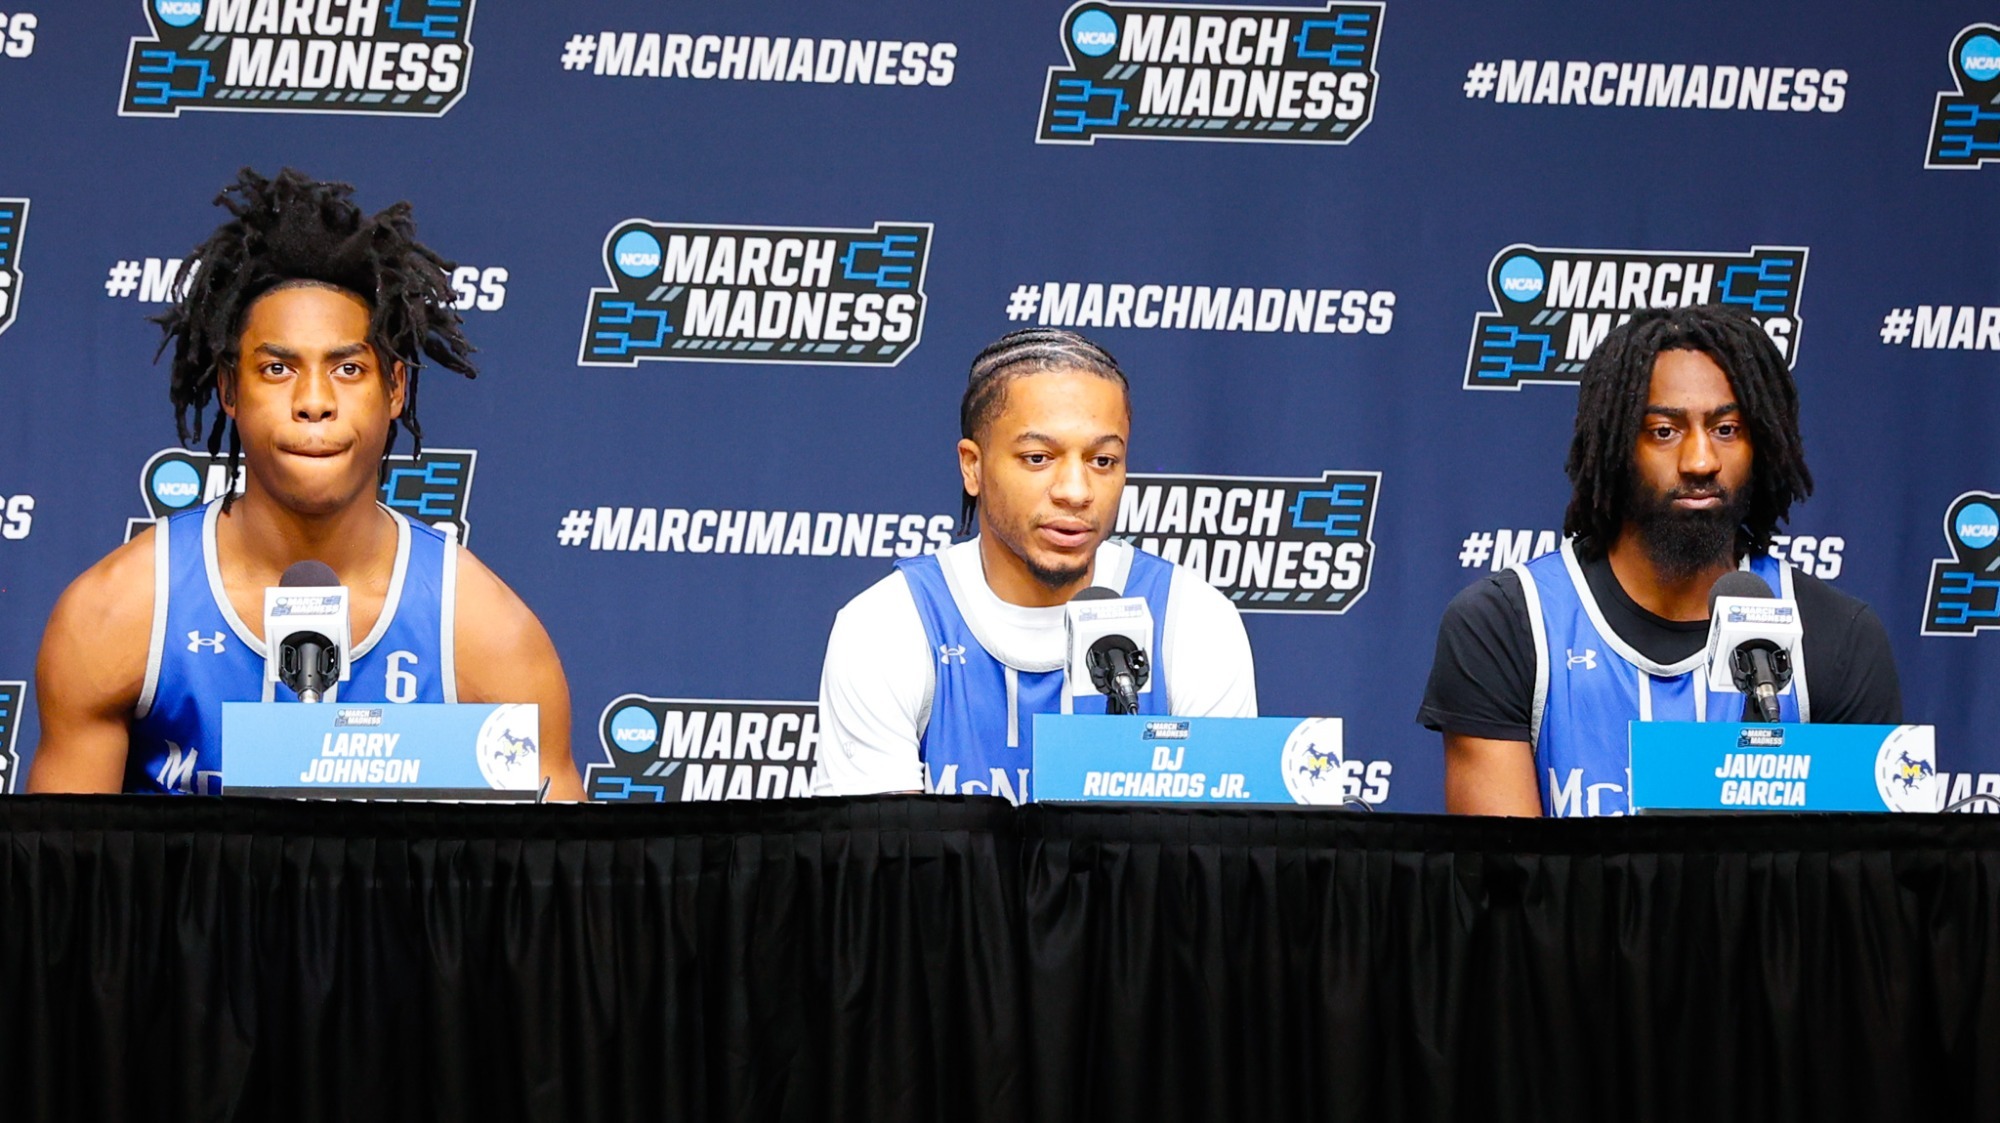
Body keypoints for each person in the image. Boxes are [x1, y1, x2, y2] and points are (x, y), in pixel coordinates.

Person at [30, 168, 585, 799]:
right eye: (277, 369)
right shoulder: (118, 615)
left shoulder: (488, 636)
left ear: (395, 389)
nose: (314, 401)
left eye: (348, 369)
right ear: (230, 389)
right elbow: (62, 862)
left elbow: (561, 862)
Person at [1419, 304, 1901, 817]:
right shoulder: (1507, 627)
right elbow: (1504, 865)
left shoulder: (1837, 636)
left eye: (1727, 429)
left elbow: (1862, 862)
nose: (1700, 461)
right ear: (1615, 446)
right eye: (1664, 431)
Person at [812, 328, 1258, 802]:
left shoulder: (1194, 620)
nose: (1076, 491)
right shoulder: (886, 626)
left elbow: (1216, 843)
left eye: (1103, 460)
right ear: (972, 466)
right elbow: (882, 846)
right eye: (1038, 457)